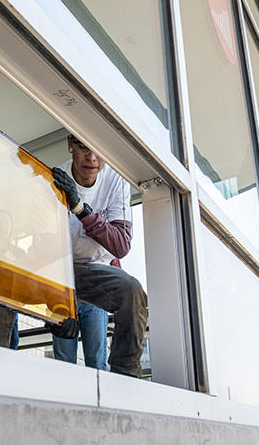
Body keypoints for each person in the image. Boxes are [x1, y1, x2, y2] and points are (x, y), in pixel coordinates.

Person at [50, 135, 148, 378]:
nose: (91, 158)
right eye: (83, 147)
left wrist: (81, 209)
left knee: (132, 291)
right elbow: (44, 249)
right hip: (61, 273)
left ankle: (125, 380)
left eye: (98, 150)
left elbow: (121, 245)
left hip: (96, 272)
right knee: (64, 360)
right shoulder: (52, 180)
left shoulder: (116, 181)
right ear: (70, 143)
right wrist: (53, 304)